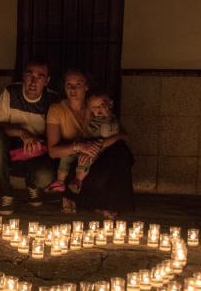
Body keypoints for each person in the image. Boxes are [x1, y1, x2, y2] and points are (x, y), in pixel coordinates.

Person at [45, 69, 135, 218]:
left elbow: (122, 134)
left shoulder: (95, 104)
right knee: (90, 169)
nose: (73, 89)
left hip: (97, 154)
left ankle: (111, 204)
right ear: (64, 86)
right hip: (72, 160)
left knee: (121, 152)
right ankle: (77, 197)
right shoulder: (57, 110)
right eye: (69, 84)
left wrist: (100, 144)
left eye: (78, 84)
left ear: (86, 86)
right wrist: (80, 146)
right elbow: (53, 151)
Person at [0, 58, 57, 215]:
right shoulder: (11, 93)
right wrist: (22, 133)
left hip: (37, 155)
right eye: (29, 75)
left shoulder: (52, 100)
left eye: (40, 77)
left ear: (47, 81)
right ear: (23, 76)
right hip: (11, 152)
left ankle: (32, 184)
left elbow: (56, 136)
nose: (33, 81)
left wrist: (37, 141)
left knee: (45, 176)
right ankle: (6, 192)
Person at [45, 90, 121, 195]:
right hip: (83, 145)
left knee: (85, 160)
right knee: (66, 157)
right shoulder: (92, 117)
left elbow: (109, 132)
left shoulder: (111, 121)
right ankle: (60, 182)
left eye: (102, 105)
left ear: (110, 104)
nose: (98, 109)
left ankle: (78, 180)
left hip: (94, 150)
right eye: (94, 107)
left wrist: (107, 115)